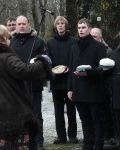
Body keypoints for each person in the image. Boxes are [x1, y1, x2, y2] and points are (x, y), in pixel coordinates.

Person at [0, 24, 53, 150]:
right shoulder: (5, 56)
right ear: (1, 40)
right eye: (7, 38)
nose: (9, 41)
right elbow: (24, 70)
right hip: (11, 111)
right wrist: (42, 61)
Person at [67, 18, 106, 150]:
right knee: (84, 120)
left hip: (93, 89)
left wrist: (88, 73)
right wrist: (70, 88)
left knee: (96, 120)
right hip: (78, 89)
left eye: (83, 27)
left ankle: (98, 145)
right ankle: (87, 144)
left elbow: (102, 69)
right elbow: (71, 68)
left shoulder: (99, 47)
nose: (81, 30)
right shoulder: (74, 47)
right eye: (79, 28)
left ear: (89, 29)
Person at [10, 15, 46, 150]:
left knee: (36, 114)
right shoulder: (11, 42)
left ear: (28, 24)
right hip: (16, 86)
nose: (21, 26)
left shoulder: (38, 41)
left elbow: (44, 62)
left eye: (23, 24)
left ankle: (39, 140)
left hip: (34, 84)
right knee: (18, 115)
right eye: (18, 24)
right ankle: (21, 140)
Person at [46, 16, 78, 144]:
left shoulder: (74, 41)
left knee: (71, 109)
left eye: (62, 24)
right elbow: (47, 61)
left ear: (66, 26)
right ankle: (61, 136)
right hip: (56, 81)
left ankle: (73, 135)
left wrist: (71, 68)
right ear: (55, 27)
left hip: (70, 81)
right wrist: (53, 69)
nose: (60, 26)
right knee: (58, 111)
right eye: (58, 24)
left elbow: (77, 58)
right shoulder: (49, 43)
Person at [90, 27, 117, 145]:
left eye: (95, 37)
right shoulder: (88, 48)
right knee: (94, 114)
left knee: (107, 112)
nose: (93, 39)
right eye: (91, 37)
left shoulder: (108, 51)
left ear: (100, 37)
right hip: (92, 86)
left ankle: (110, 135)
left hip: (105, 86)